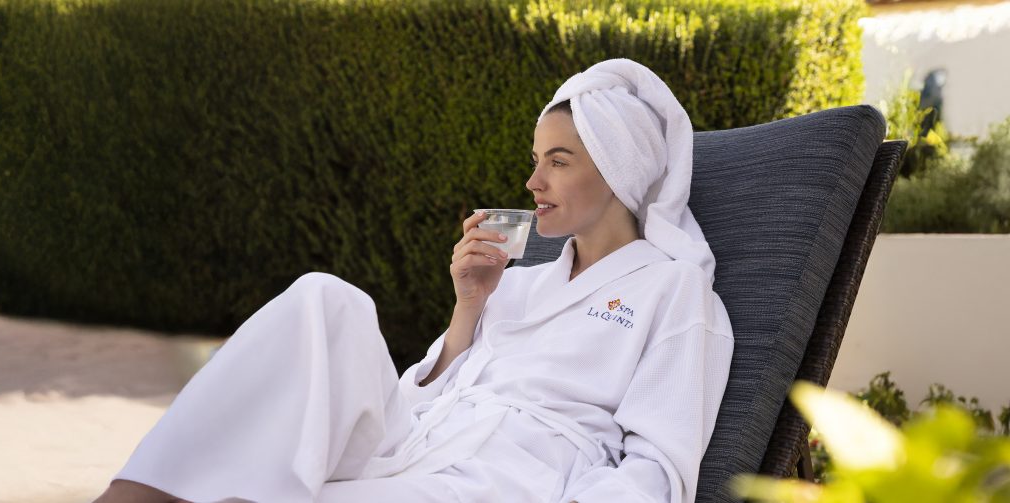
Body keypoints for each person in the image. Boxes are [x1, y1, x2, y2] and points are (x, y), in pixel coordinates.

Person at [94, 58, 734, 503]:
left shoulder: (675, 290)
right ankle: (131, 493)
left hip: (510, 475)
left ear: (621, 172)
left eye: (558, 162)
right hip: (421, 439)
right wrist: (469, 306)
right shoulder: (520, 281)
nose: (533, 182)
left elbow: (657, 464)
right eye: (535, 160)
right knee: (326, 296)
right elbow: (421, 397)